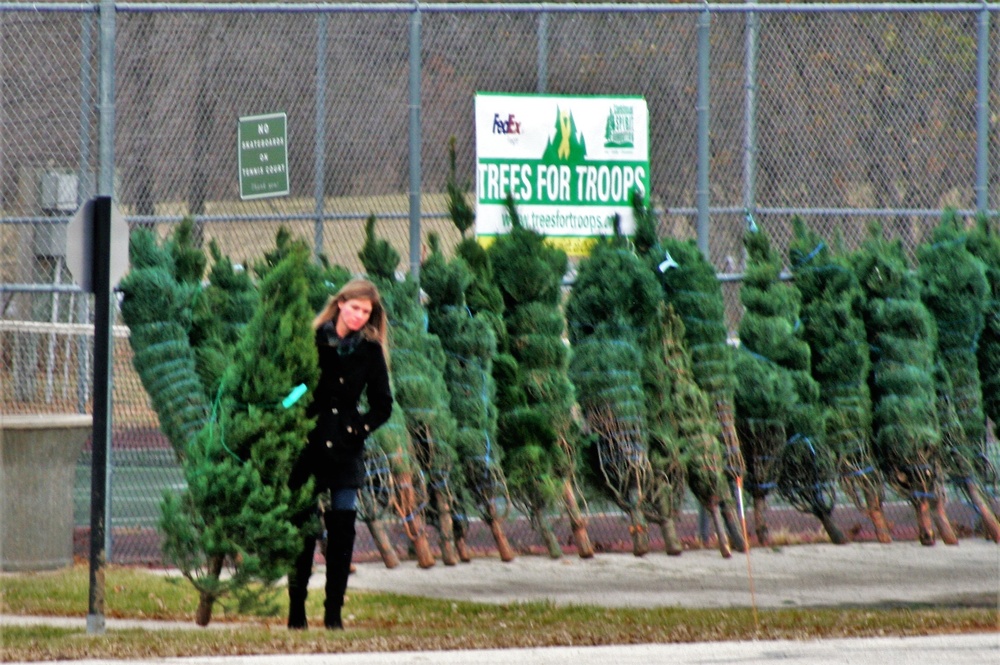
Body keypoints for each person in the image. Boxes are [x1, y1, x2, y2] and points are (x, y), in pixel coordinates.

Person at [287, 278, 393, 630]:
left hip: (346, 448)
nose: (360, 316)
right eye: (356, 307)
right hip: (309, 444)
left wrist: (358, 428)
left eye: (367, 311)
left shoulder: (370, 350)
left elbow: (383, 406)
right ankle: (297, 611)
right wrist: (285, 412)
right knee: (303, 527)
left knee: (344, 527)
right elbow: (296, 386)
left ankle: (333, 613)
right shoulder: (313, 340)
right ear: (341, 303)